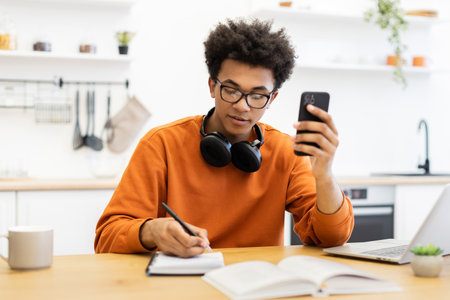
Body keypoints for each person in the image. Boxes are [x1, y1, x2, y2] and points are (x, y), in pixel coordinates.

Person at [95, 18, 354, 258]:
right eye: (231, 90)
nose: (243, 106)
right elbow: (106, 238)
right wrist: (151, 231)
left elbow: (332, 237)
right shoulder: (161, 144)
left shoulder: (287, 152)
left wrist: (325, 176)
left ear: (272, 98)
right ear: (212, 86)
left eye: (257, 95)